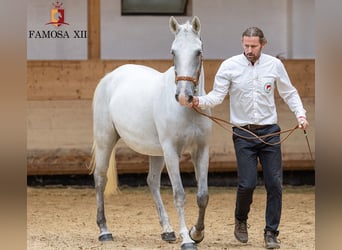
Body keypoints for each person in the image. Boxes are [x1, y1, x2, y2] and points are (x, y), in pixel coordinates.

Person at [189, 27, 309, 249]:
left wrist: (301, 115)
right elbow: (217, 96)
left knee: (275, 184)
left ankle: (271, 232)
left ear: (263, 44)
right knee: (247, 183)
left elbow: (289, 92)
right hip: (243, 133)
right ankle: (241, 220)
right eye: (246, 45)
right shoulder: (230, 66)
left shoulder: (274, 65)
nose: (249, 50)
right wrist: (199, 101)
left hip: (270, 132)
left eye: (253, 46)